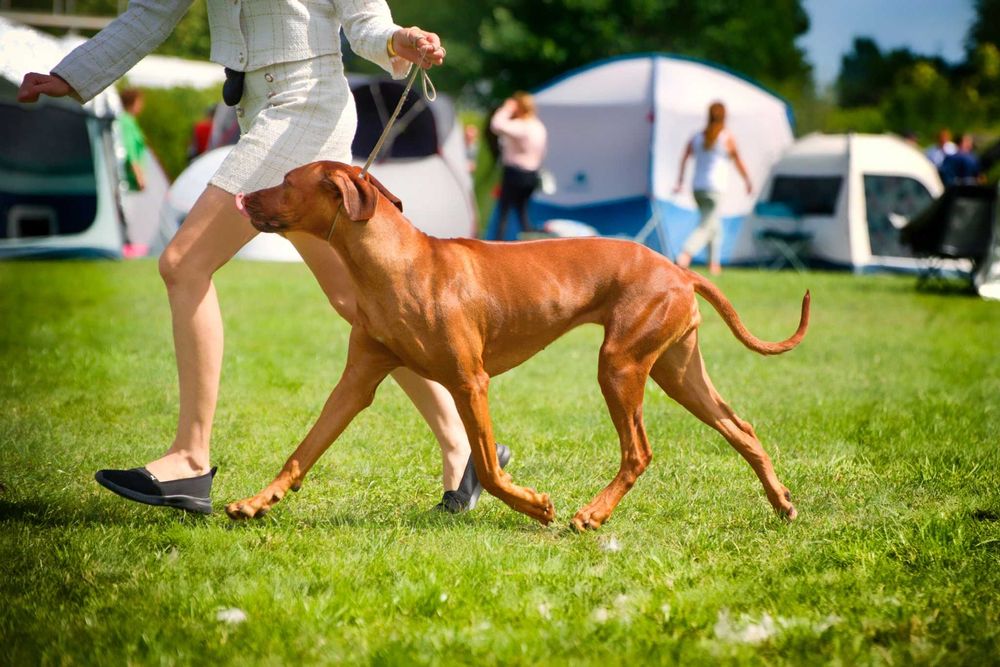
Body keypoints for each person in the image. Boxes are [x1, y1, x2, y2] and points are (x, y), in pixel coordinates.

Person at [18, 0, 506, 516]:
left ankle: (188, 458)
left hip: (305, 110)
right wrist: (70, 76)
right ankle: (467, 448)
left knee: (183, 263)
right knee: (358, 303)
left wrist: (397, 40)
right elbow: (152, 12)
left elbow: (365, 21)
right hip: (259, 110)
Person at [673, 101, 752, 276]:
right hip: (715, 189)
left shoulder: (697, 137)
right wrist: (747, 181)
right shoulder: (726, 138)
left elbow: (684, 157)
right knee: (707, 226)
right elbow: (738, 161)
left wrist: (679, 181)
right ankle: (685, 255)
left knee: (714, 225)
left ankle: (713, 265)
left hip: (698, 188)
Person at [490, 91, 548, 240]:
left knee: (504, 212)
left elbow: (496, 125)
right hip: (532, 174)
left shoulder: (522, 125)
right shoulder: (539, 126)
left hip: (515, 173)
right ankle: (530, 242)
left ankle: (498, 244)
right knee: (522, 211)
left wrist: (507, 108)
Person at [117, 88, 147, 192]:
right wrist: (139, 178)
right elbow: (130, 151)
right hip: (128, 179)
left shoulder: (130, 121)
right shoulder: (126, 122)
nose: (141, 105)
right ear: (131, 103)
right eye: (139, 102)